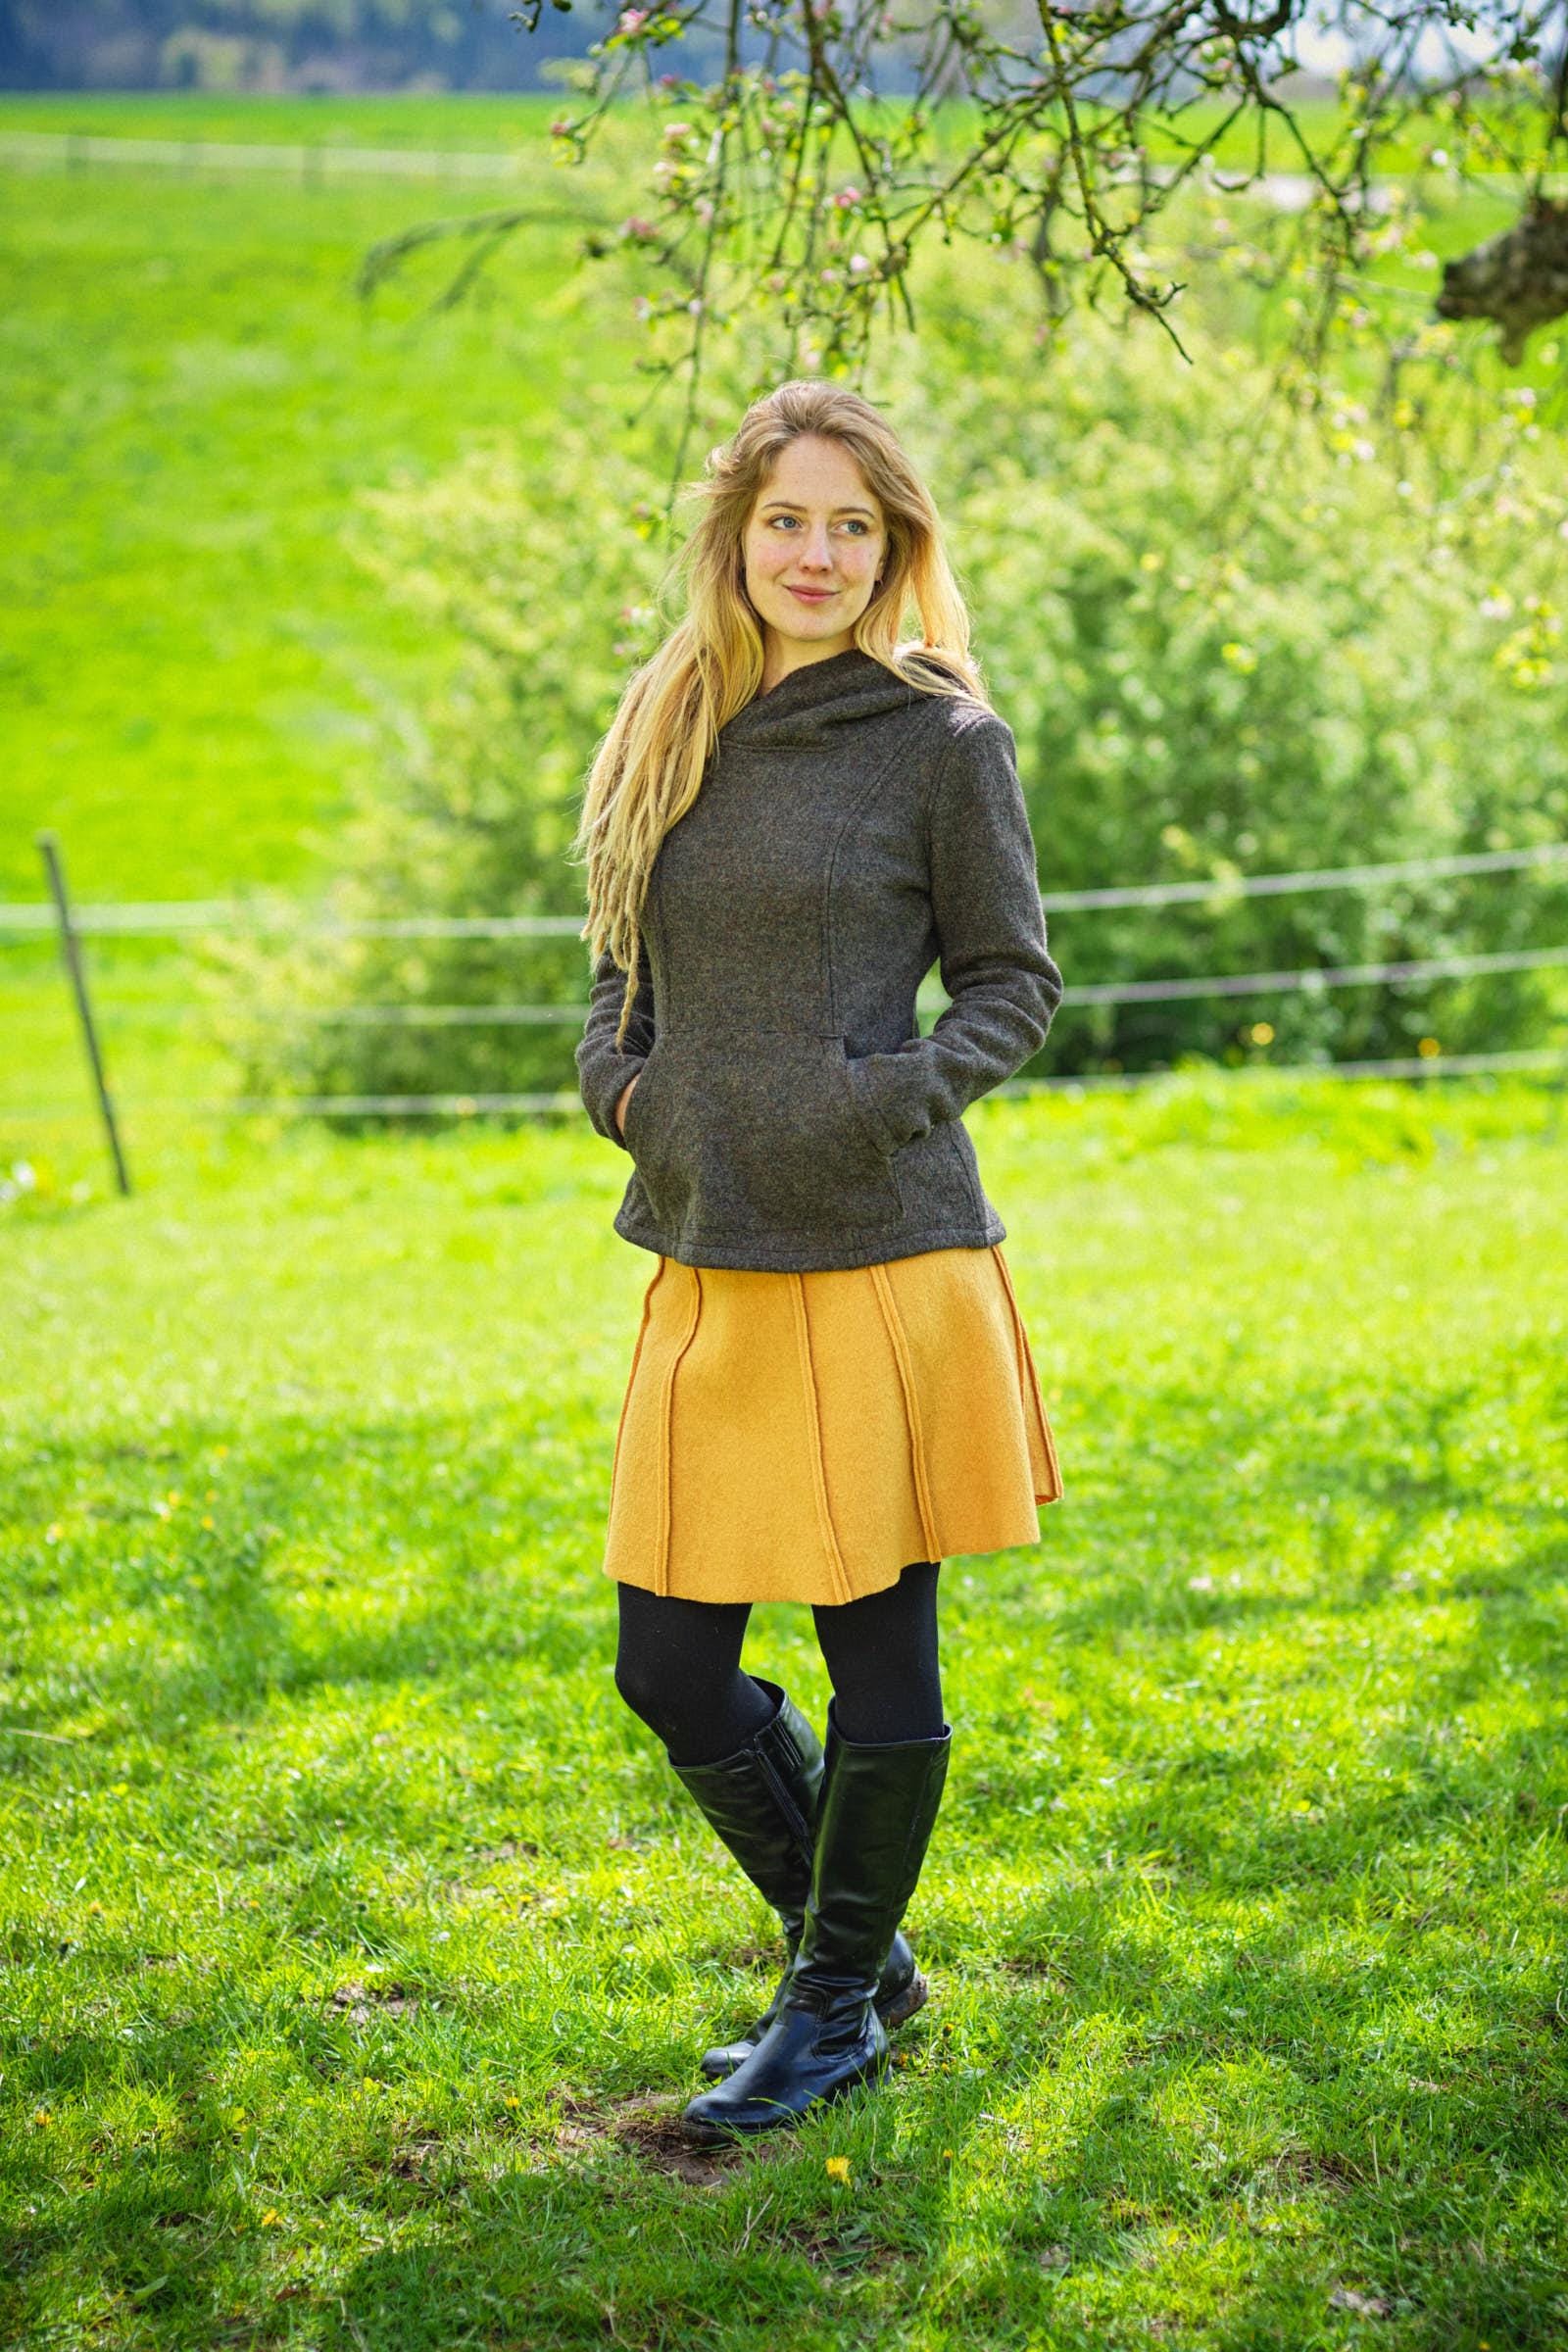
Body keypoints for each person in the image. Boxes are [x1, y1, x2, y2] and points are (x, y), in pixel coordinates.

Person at [571, 378, 1064, 2146]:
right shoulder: (671, 715)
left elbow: (1014, 981)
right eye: (788, 517)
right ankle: (860, 1963)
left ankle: (833, 2003)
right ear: (737, 532)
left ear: (894, 546)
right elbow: (619, 965)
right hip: (710, 1250)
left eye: (853, 525)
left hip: (876, 1249)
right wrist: (623, 1089)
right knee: (667, 1665)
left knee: (880, 1660)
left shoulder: (941, 740)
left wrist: (879, 1101)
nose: (817, 552)